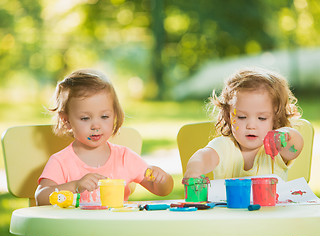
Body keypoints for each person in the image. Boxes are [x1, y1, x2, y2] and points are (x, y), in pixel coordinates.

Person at [35, 69, 174, 206]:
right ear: (66, 120)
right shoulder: (61, 162)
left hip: (115, 228)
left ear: (115, 115)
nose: (96, 125)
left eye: (104, 116)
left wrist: (162, 179)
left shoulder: (124, 157)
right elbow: (41, 197)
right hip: (75, 228)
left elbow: (162, 191)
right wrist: (75, 186)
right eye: (85, 118)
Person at [183, 67, 304, 181]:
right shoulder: (224, 146)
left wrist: (284, 135)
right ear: (228, 116)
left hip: (272, 204)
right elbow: (204, 157)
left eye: (261, 118)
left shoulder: (277, 151)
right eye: (241, 117)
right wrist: (194, 170)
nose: (251, 125)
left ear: (276, 118)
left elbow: (295, 147)